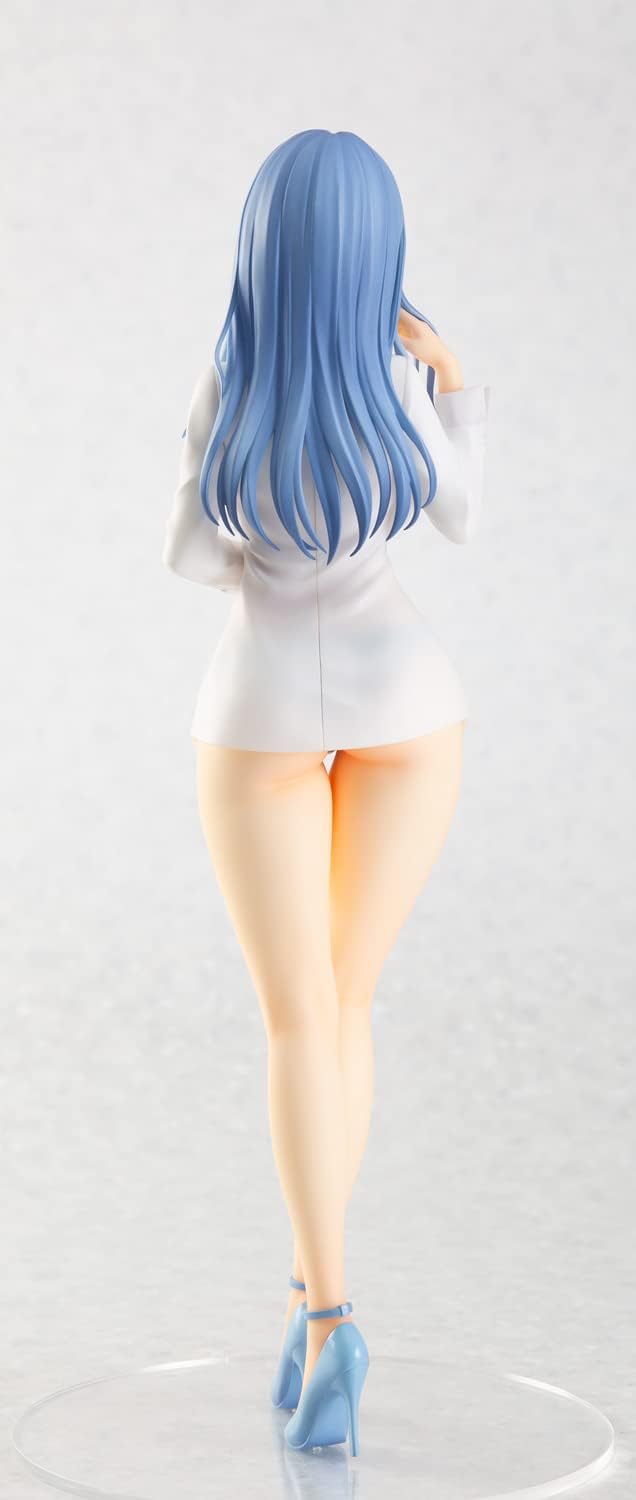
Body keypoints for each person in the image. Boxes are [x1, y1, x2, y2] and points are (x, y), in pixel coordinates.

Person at [162, 128, 490, 1457]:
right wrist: (451, 382)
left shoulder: (232, 378)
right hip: (409, 705)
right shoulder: (398, 387)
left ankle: (327, 1313)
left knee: (299, 1020)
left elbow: (192, 558)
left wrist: (259, 520)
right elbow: (461, 515)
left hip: (256, 717)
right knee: (347, 1006)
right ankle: (312, 1304)